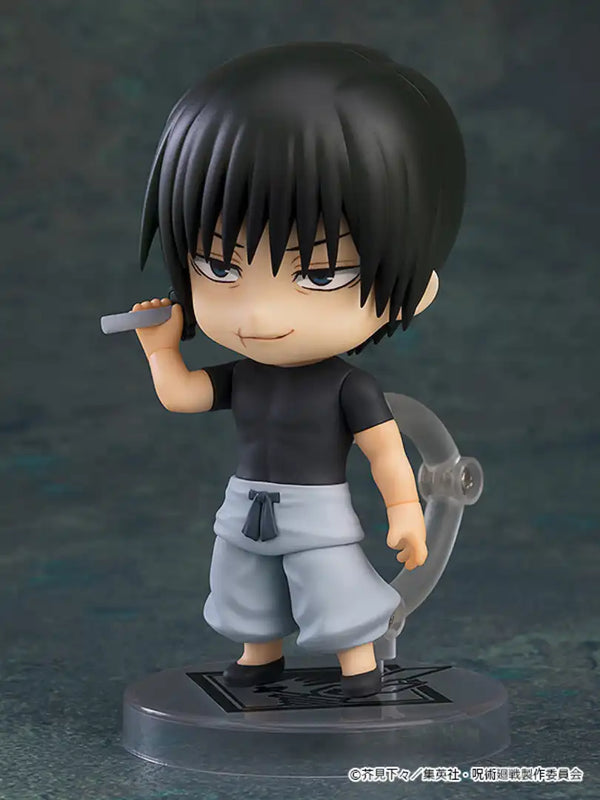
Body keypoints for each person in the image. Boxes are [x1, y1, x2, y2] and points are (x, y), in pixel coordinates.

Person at [133, 42, 466, 698]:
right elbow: (182, 395)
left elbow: (386, 453)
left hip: (317, 514)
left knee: (332, 584)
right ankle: (259, 653)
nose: (259, 312)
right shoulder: (243, 374)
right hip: (244, 507)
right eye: (220, 266)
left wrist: (406, 511)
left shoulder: (350, 387)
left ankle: (359, 663)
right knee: (242, 583)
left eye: (320, 273)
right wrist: (160, 349)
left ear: (415, 288)